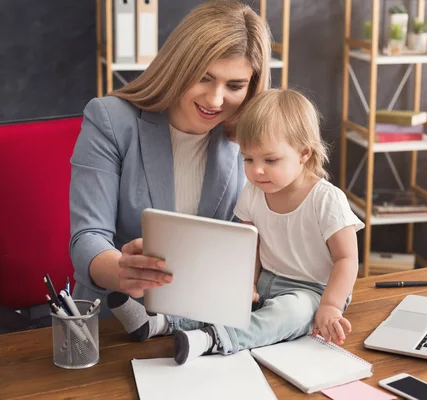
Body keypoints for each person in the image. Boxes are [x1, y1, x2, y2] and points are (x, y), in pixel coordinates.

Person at [109, 88, 365, 364]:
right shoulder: (254, 191)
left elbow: (347, 258)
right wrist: (247, 283)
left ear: (303, 154)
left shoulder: (326, 199)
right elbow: (251, 243)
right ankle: (159, 323)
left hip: (313, 291)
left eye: (270, 160)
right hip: (266, 281)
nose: (256, 170)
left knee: (288, 313)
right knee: (219, 292)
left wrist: (330, 305)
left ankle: (214, 339)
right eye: (248, 159)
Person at [69, 0, 272, 317]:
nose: (216, 100)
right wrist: (121, 269)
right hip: (118, 320)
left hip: (206, 320)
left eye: (235, 86)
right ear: (179, 65)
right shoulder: (110, 120)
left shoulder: (248, 141)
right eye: (204, 77)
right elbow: (87, 238)